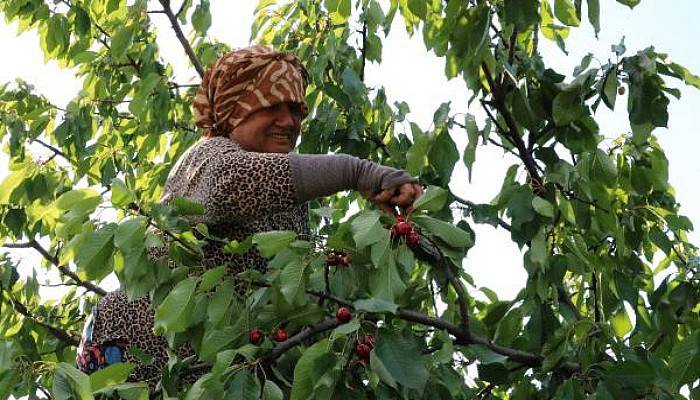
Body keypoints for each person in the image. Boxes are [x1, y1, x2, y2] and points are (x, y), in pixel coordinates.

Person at [75, 45, 423, 388]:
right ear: (235, 109)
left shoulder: (291, 204)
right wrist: (357, 172)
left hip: (215, 377)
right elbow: (236, 180)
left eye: (298, 111)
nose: (289, 122)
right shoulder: (207, 158)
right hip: (133, 361)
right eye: (272, 106)